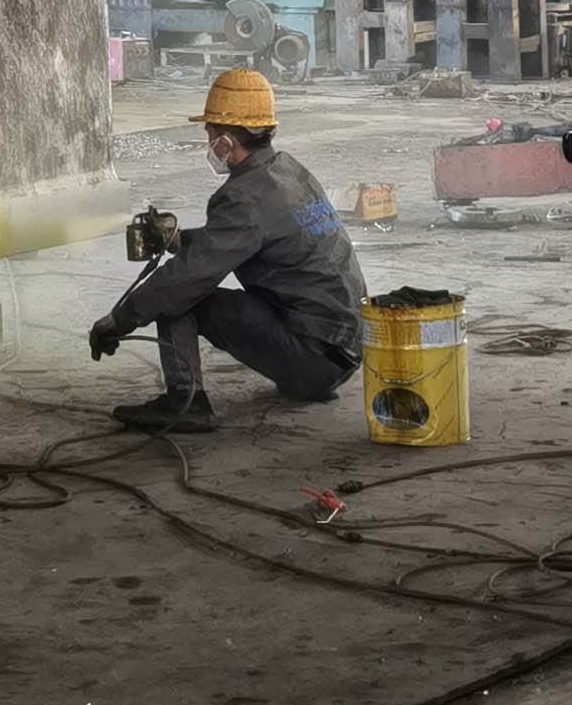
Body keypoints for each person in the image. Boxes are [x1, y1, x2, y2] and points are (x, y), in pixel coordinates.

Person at [87, 66, 365, 434]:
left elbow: (184, 281)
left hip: (314, 359)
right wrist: (178, 240)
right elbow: (241, 237)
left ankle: (185, 403)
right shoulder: (288, 171)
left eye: (209, 135)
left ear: (225, 143)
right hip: (344, 351)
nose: (209, 145)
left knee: (178, 296)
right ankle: (306, 378)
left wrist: (118, 320)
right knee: (186, 283)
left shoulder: (242, 196)